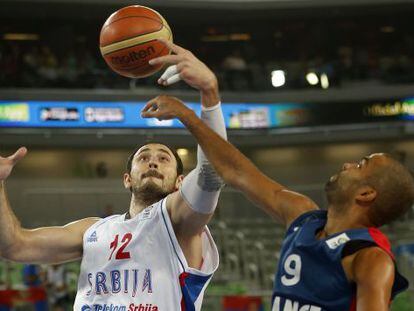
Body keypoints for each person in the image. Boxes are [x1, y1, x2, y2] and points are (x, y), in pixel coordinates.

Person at [140, 78, 414, 309]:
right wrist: (192, 111)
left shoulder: (370, 257)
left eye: (361, 165)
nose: (348, 164)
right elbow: (235, 170)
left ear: (366, 193)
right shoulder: (303, 216)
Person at [0, 43, 227, 310]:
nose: (152, 160)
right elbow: (14, 246)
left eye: (163, 158)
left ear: (180, 182)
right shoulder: (93, 230)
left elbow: (212, 173)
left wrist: (209, 93)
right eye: (143, 157)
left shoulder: (180, 223)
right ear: (127, 179)